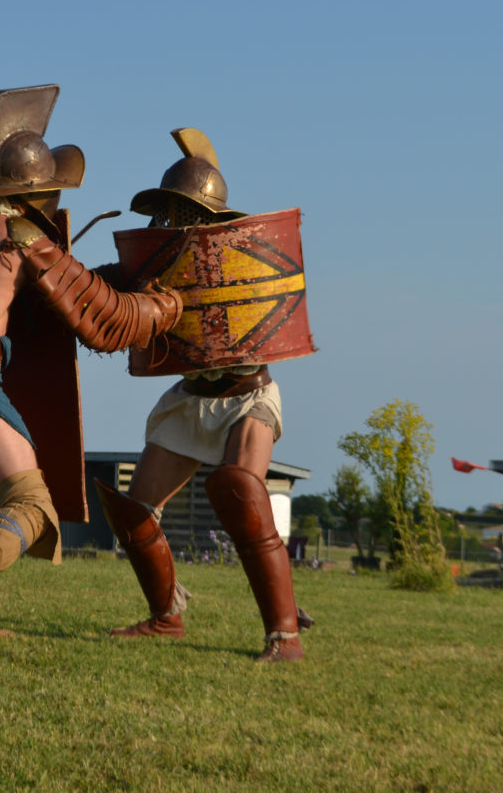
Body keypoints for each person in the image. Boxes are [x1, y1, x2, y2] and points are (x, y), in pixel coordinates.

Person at [0, 85, 182, 661]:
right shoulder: (21, 237)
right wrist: (164, 307)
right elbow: (102, 319)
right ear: (34, 192)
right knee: (30, 503)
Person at [96, 128, 311, 662]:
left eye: (180, 209)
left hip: (247, 395)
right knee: (135, 511)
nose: (170, 220)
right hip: (190, 399)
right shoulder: (154, 261)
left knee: (242, 493)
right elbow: (105, 291)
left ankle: (284, 636)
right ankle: (166, 618)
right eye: (166, 210)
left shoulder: (238, 256)